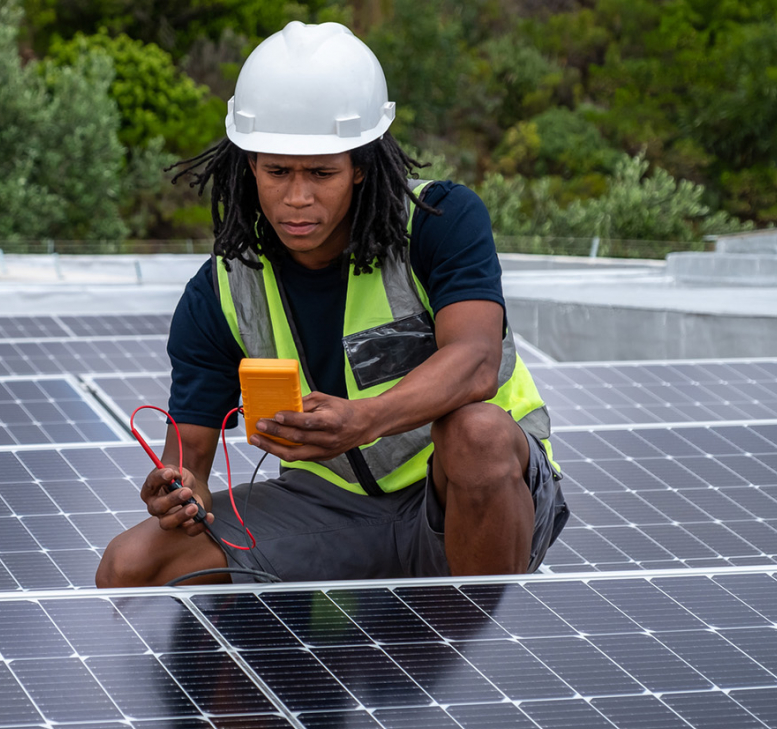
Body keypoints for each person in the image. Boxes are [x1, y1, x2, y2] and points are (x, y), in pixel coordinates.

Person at [96, 21, 568, 587]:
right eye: (277, 172)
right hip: (335, 509)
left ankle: (487, 651)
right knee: (130, 566)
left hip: (473, 494)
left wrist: (363, 421)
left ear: (361, 165)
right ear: (250, 164)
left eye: (321, 173)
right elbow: (189, 456)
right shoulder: (220, 291)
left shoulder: (441, 223)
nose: (297, 198)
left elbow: (476, 361)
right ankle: (265, 675)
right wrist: (178, 491)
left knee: (477, 434)